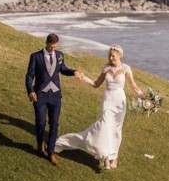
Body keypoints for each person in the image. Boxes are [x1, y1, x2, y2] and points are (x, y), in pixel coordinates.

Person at [54, 44, 143, 170]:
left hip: (119, 101)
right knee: (104, 125)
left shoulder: (126, 68)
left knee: (116, 129)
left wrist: (144, 97)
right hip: (107, 100)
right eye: (109, 56)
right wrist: (84, 78)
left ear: (119, 56)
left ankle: (114, 157)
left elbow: (133, 85)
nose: (111, 58)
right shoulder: (106, 68)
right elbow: (96, 84)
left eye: (113, 56)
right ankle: (105, 157)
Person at [26, 33, 83, 166]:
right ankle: (40, 142)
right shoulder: (35, 56)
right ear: (46, 43)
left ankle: (51, 152)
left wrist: (74, 72)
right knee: (41, 122)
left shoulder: (59, 55)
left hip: (55, 95)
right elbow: (29, 76)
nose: (53, 49)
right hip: (40, 95)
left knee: (54, 123)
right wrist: (31, 91)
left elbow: (63, 69)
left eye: (55, 47)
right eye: (51, 47)